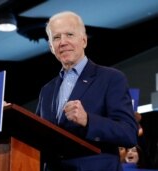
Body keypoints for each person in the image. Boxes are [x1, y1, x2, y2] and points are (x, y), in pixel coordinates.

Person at [35, 11, 138, 171]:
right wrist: (10, 120)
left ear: (83, 40)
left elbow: (129, 133)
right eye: (56, 38)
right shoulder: (46, 91)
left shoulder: (111, 78)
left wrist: (88, 120)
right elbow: (37, 137)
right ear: (51, 47)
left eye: (69, 34)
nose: (63, 42)